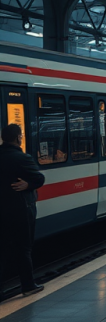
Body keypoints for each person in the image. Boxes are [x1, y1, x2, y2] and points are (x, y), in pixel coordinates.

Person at [0, 123, 45, 297]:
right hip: (20, 210)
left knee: (2, 249)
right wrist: (28, 185)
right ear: (18, 138)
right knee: (23, 248)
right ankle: (28, 285)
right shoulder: (22, 158)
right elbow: (39, 179)